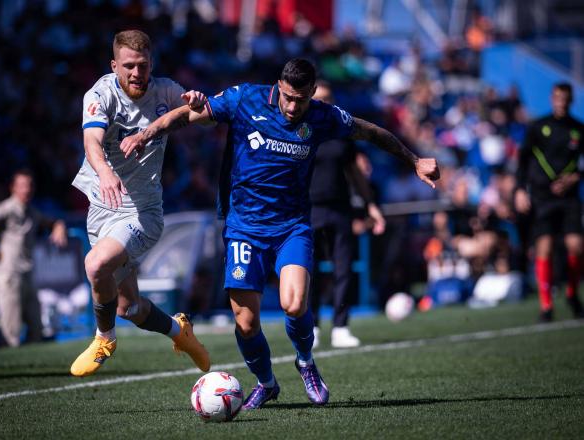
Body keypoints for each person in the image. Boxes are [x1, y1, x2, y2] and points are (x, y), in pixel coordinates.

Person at [125, 58, 439, 408]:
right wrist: (146, 133)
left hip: (292, 226)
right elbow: (188, 116)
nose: (292, 107)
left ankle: (305, 362)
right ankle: (266, 382)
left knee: (293, 304)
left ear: (313, 93)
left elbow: (372, 132)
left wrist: (414, 160)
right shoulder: (245, 99)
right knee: (245, 323)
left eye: (301, 99)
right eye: (288, 97)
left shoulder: (323, 116)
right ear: (279, 86)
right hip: (244, 227)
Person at [68, 29, 210, 377]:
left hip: (143, 213)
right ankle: (180, 332)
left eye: (142, 65)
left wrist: (198, 102)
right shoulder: (100, 94)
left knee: (96, 264)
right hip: (104, 206)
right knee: (129, 307)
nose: (136, 73)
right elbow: (92, 141)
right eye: (128, 66)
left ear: (152, 64)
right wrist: (104, 172)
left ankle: (104, 339)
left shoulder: (166, 90)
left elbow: (205, 115)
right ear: (114, 65)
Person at [309, 81, 386, 349]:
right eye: (320, 99)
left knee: (344, 269)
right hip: (308, 209)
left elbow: (354, 172)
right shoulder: (299, 130)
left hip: (340, 208)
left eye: (329, 99)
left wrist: (371, 206)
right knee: (309, 271)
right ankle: (314, 326)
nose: (325, 104)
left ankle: (341, 326)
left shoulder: (341, 131)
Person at [0, 170, 67, 347]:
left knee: (36, 329)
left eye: (29, 185)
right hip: (10, 272)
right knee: (11, 334)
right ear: (13, 188)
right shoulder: (7, 208)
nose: (26, 190)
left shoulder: (31, 211)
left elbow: (52, 222)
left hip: (28, 272)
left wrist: (58, 227)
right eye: (22, 186)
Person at [515, 82, 584, 322]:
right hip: (542, 197)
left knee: (576, 245)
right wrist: (519, 190)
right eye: (557, 98)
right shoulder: (538, 127)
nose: (561, 102)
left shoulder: (578, 129)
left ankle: (572, 294)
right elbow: (522, 160)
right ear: (552, 99)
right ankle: (546, 306)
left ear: (570, 100)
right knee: (544, 247)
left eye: (565, 98)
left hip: (569, 198)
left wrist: (575, 177)